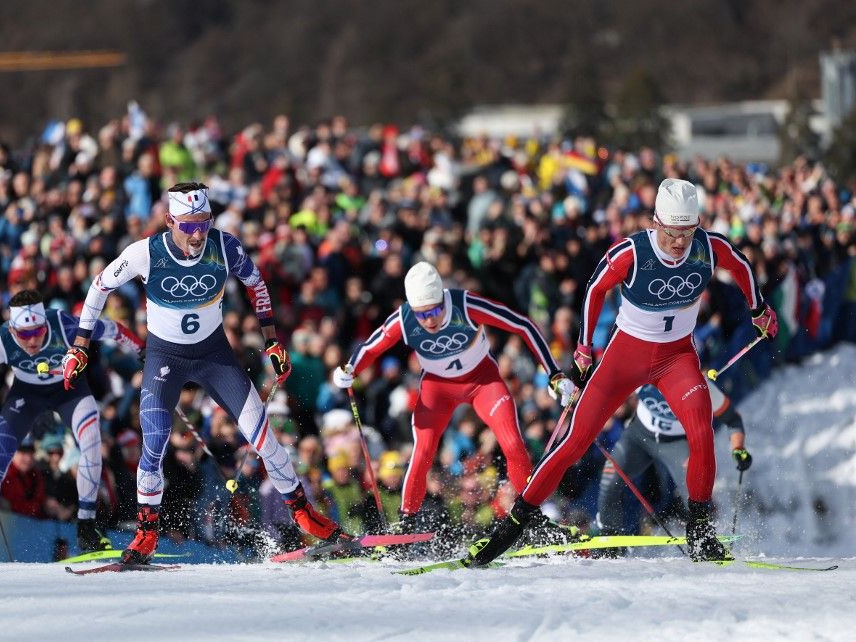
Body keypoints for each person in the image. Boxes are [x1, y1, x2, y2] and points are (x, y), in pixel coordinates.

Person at [465, 178, 777, 566]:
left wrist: (758, 308)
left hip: (676, 358)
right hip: (625, 357)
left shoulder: (707, 248)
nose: (679, 242)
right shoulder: (633, 252)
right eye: (671, 232)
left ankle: (698, 531)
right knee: (575, 441)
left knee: (700, 432)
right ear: (656, 222)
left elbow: (741, 264)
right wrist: (583, 349)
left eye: (687, 232)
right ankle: (514, 525)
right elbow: (595, 289)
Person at [62, 182, 344, 565]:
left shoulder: (224, 246)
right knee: (154, 443)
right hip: (165, 357)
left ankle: (305, 515)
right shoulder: (145, 253)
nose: (197, 235)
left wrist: (272, 341)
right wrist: (79, 346)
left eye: (203, 224)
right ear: (169, 221)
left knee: (263, 437)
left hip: (214, 355)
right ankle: (146, 533)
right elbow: (98, 288)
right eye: (188, 226)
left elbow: (257, 285)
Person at [332, 262, 575, 533]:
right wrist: (350, 368)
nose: (429, 320)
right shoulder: (404, 318)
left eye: (435, 310)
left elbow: (523, 325)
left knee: (513, 444)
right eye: (422, 314)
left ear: (443, 298)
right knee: (423, 451)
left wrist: (554, 374)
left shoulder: (465, 305)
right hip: (438, 389)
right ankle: (407, 524)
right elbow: (371, 347)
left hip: (482, 382)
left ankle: (531, 516)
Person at [0, 289, 143, 562]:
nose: (32, 340)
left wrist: (142, 349)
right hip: (26, 395)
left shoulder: (63, 325)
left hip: (69, 390)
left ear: (45, 323)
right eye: (24, 334)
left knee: (92, 441)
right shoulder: (2, 339)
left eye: (38, 331)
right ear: (13, 329)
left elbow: (113, 329)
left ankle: (87, 528)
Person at [595, 377, 751, 536]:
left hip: (676, 444)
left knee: (696, 496)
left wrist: (738, 448)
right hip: (639, 437)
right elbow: (605, 386)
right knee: (610, 478)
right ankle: (609, 535)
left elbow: (733, 420)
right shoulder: (644, 371)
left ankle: (706, 536)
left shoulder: (700, 387)